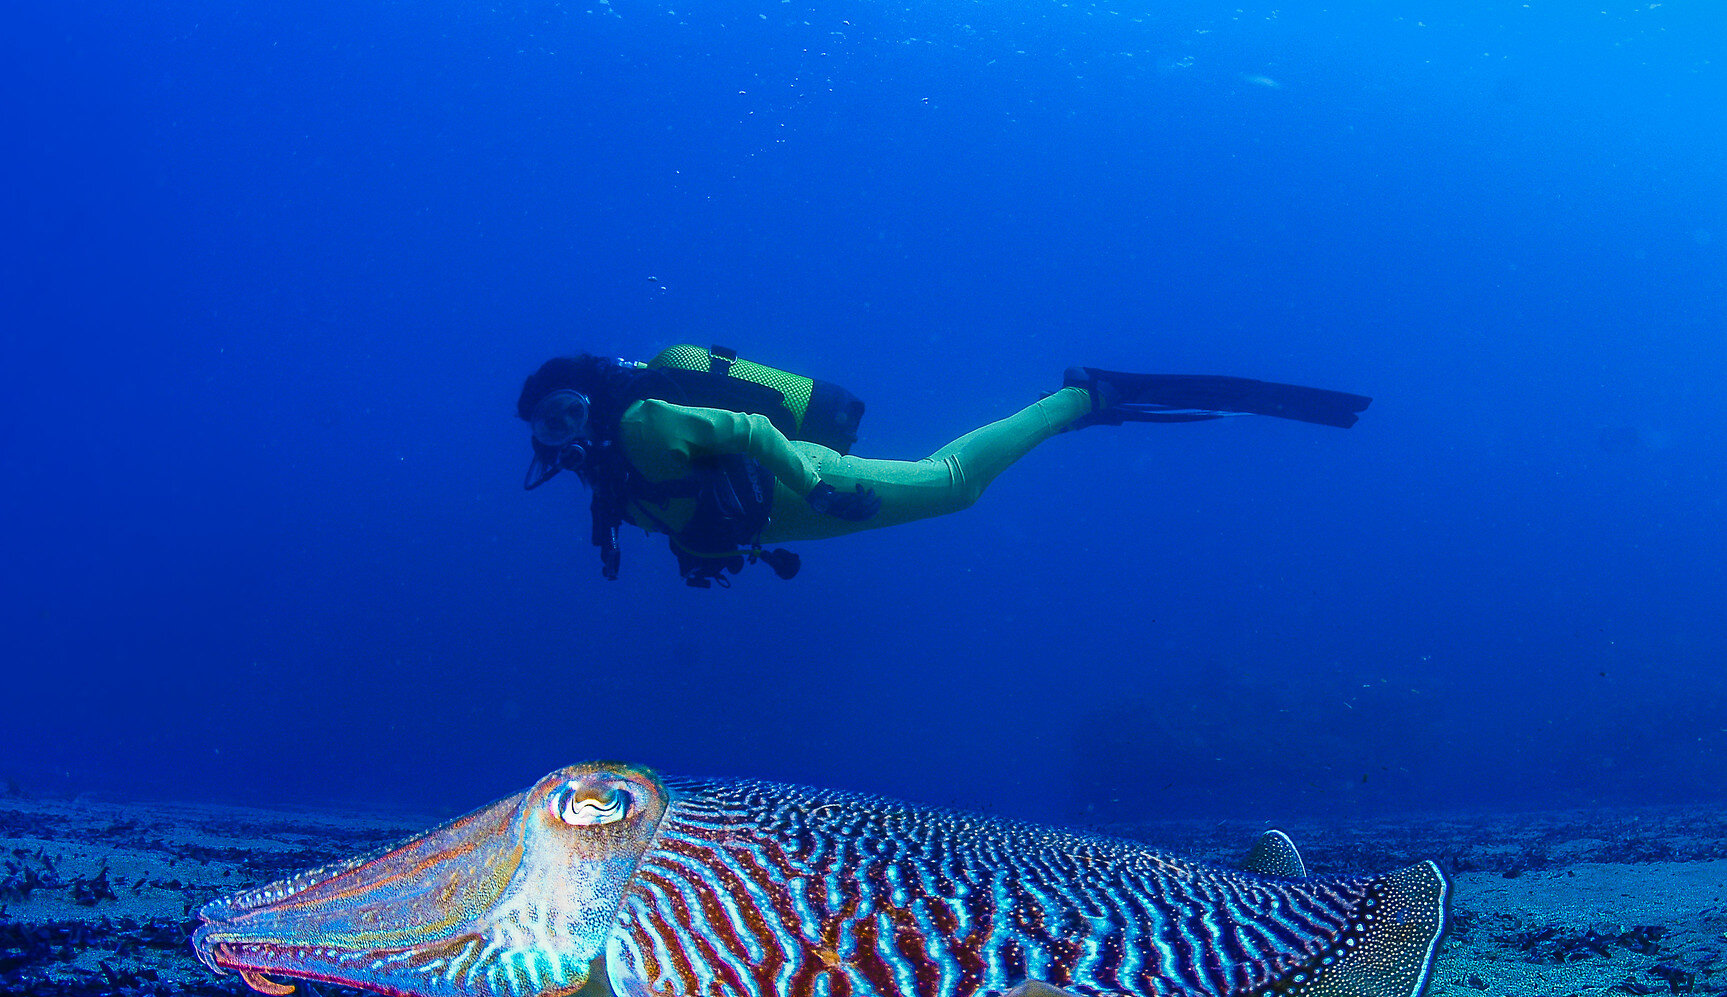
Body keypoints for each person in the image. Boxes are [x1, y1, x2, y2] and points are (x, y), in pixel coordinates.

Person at [518, 344, 1370, 587]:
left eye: (567, 409)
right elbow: (687, 498)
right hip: (783, 518)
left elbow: (743, 428)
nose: (563, 430)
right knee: (949, 490)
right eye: (547, 426)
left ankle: (1081, 396)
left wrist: (815, 485)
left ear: (590, 394)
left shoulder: (642, 419)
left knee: (954, 484)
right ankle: (1083, 398)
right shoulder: (602, 473)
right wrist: (696, 551)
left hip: (803, 485)